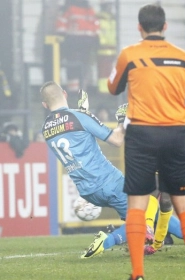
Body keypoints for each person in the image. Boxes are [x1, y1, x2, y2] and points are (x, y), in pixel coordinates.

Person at [107, 4, 185, 280]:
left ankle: (138, 274)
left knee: (137, 204)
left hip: (141, 134)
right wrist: (180, 117)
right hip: (176, 134)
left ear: (139, 27)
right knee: (183, 203)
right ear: (165, 27)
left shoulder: (130, 54)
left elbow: (113, 87)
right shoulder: (184, 57)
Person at [40, 81, 130, 258]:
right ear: (65, 94)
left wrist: (84, 112)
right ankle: (107, 240)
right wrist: (122, 120)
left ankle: (144, 240)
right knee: (148, 212)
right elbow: (117, 140)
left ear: (44, 105)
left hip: (87, 192)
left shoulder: (46, 129)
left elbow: (70, 130)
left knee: (144, 220)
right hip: (109, 181)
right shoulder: (79, 117)